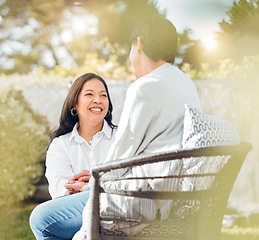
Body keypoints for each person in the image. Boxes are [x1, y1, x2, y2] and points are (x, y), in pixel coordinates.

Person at [73, 15, 203, 239]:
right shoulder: (186, 84)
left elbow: (117, 161)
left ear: (139, 43)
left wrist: (89, 185)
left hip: (136, 203)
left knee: (44, 219)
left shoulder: (144, 87)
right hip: (168, 196)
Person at [29, 73, 117, 240]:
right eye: (89, 94)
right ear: (74, 104)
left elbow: (129, 180)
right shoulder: (60, 145)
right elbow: (60, 189)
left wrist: (89, 184)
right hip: (76, 212)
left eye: (103, 95)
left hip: (116, 206)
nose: (98, 100)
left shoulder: (121, 137)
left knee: (42, 221)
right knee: (45, 220)